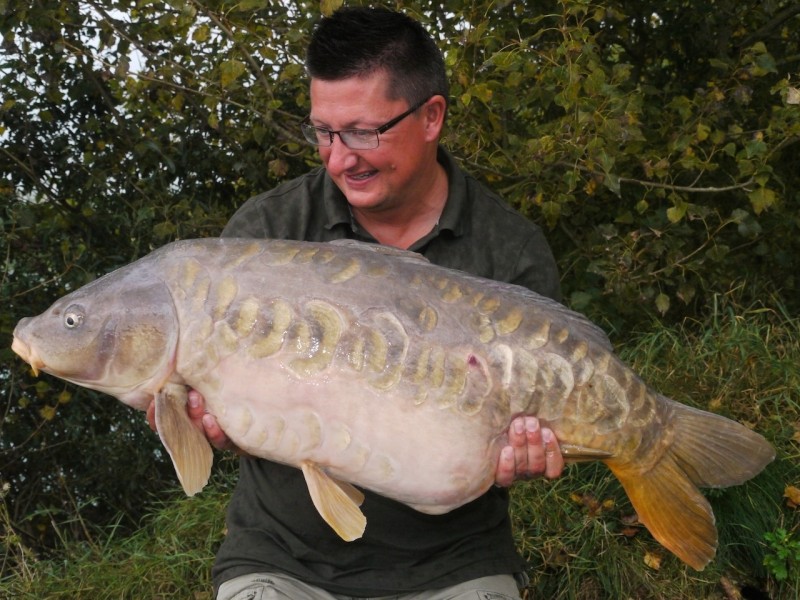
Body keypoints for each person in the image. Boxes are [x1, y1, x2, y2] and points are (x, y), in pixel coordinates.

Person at [148, 6, 565, 599]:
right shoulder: (266, 232)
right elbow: (206, 404)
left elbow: (528, 433)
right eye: (324, 132)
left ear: (431, 118)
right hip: (283, 557)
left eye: (365, 132)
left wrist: (521, 453)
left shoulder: (507, 249)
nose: (341, 158)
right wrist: (204, 420)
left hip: (456, 561)